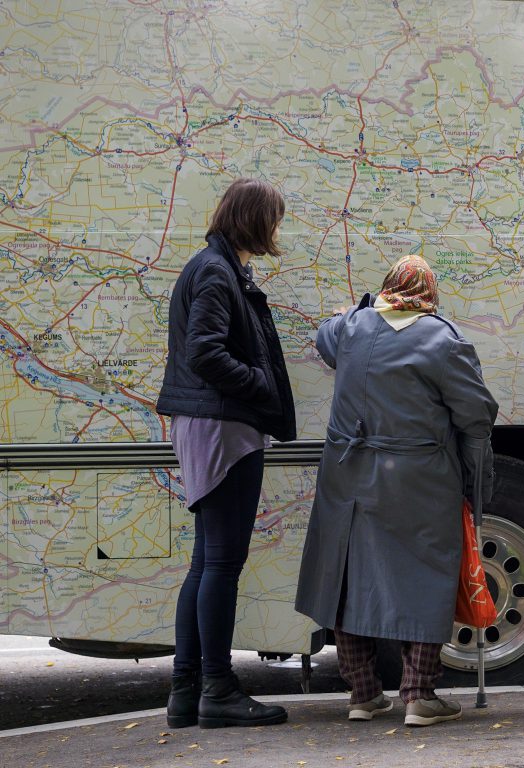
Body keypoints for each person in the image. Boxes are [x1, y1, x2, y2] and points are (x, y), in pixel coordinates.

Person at [295, 254, 498, 728]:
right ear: (429, 295)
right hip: (418, 478)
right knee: (423, 577)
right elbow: (477, 415)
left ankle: (363, 694)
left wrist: (366, 305)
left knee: (349, 577)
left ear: (387, 289)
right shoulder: (443, 340)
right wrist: (478, 482)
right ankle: (419, 695)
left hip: (348, 475)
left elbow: (325, 335)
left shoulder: (352, 328)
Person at [156, 178, 296, 729]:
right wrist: (259, 384)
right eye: (274, 220)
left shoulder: (214, 266)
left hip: (211, 426)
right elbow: (206, 352)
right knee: (220, 563)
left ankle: (187, 689)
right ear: (255, 220)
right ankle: (217, 688)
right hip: (222, 428)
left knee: (206, 561)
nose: (277, 231)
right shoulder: (216, 271)